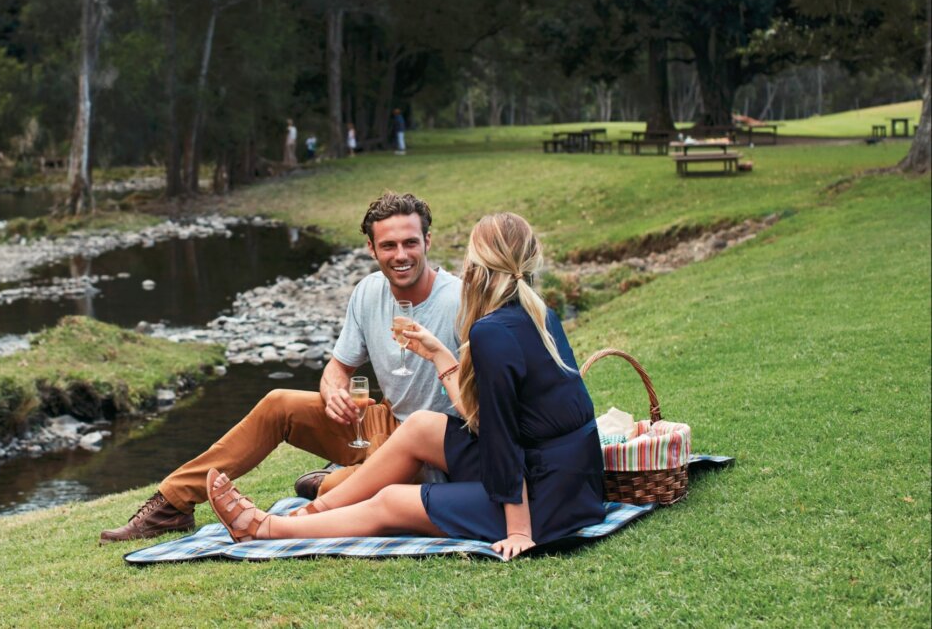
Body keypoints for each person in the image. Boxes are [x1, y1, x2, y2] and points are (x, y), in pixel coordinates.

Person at [205, 212, 605, 560]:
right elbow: (491, 418)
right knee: (421, 427)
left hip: (543, 502)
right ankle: (308, 515)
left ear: (478, 264)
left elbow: (502, 438)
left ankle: (262, 529)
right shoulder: (537, 312)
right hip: (574, 482)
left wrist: (518, 530)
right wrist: (438, 355)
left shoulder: (492, 332)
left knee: (391, 501)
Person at [99, 193, 462, 543]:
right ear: (371, 248)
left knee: (357, 492)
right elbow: (338, 366)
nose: (401, 255)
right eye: (388, 246)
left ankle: (323, 485)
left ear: (428, 241)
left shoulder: (459, 300)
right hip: (382, 424)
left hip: (432, 449)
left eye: (410, 243)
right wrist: (333, 392)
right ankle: (171, 505)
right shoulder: (368, 292)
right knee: (278, 403)